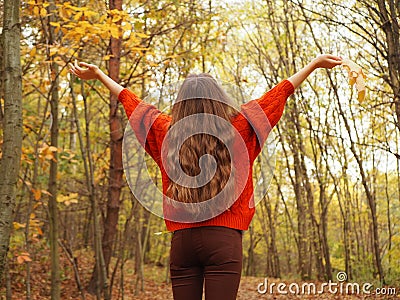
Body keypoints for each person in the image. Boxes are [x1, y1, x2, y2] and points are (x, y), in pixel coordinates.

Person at [69, 54, 342, 300]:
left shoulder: (167, 132)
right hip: (224, 240)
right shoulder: (240, 127)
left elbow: (135, 106)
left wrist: (101, 75)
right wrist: (314, 64)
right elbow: (278, 95)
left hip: (183, 243)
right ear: (220, 98)